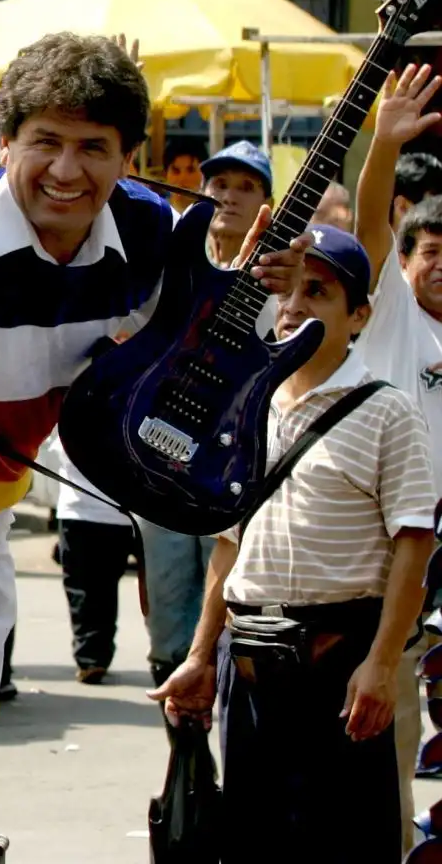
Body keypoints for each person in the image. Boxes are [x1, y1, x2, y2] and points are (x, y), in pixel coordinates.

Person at [0, 32, 307, 864]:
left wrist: (259, 284)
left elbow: (196, 339)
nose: (67, 171)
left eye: (94, 148)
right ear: (4, 146)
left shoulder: (147, 232)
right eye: (45, 143)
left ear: (130, 158)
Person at [151, 225, 435, 862]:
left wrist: (382, 664)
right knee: (253, 842)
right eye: (288, 291)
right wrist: (200, 656)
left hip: (340, 665)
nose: (296, 305)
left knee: (344, 844)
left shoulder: (388, 411)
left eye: (319, 291)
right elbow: (229, 547)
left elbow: (414, 544)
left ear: (358, 313)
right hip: (248, 662)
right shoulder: (247, 402)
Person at [131, 139, 276, 691]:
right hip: (157, 455)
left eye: (247, 188)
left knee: (226, 610)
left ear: (268, 202)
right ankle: (184, 751)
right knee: (167, 612)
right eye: (219, 185)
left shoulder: (282, 284)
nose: (230, 197)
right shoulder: (175, 262)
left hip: (230, 468)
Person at [344, 63, 442, 843]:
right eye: (429, 249)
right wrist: (382, 146)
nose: (440, 263)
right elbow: (371, 221)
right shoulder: (392, 318)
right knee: (390, 736)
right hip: (390, 557)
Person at [40, 429, 133, 685]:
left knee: (81, 588)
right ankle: (97, 655)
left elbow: (56, 453)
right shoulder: (125, 417)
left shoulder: (74, 415)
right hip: (116, 517)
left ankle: (91, 658)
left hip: (78, 514)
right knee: (105, 586)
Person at [162, 143, 204, 213]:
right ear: (165, 174)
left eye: (191, 170)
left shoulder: (216, 217)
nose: (182, 178)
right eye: (176, 171)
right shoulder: (155, 215)